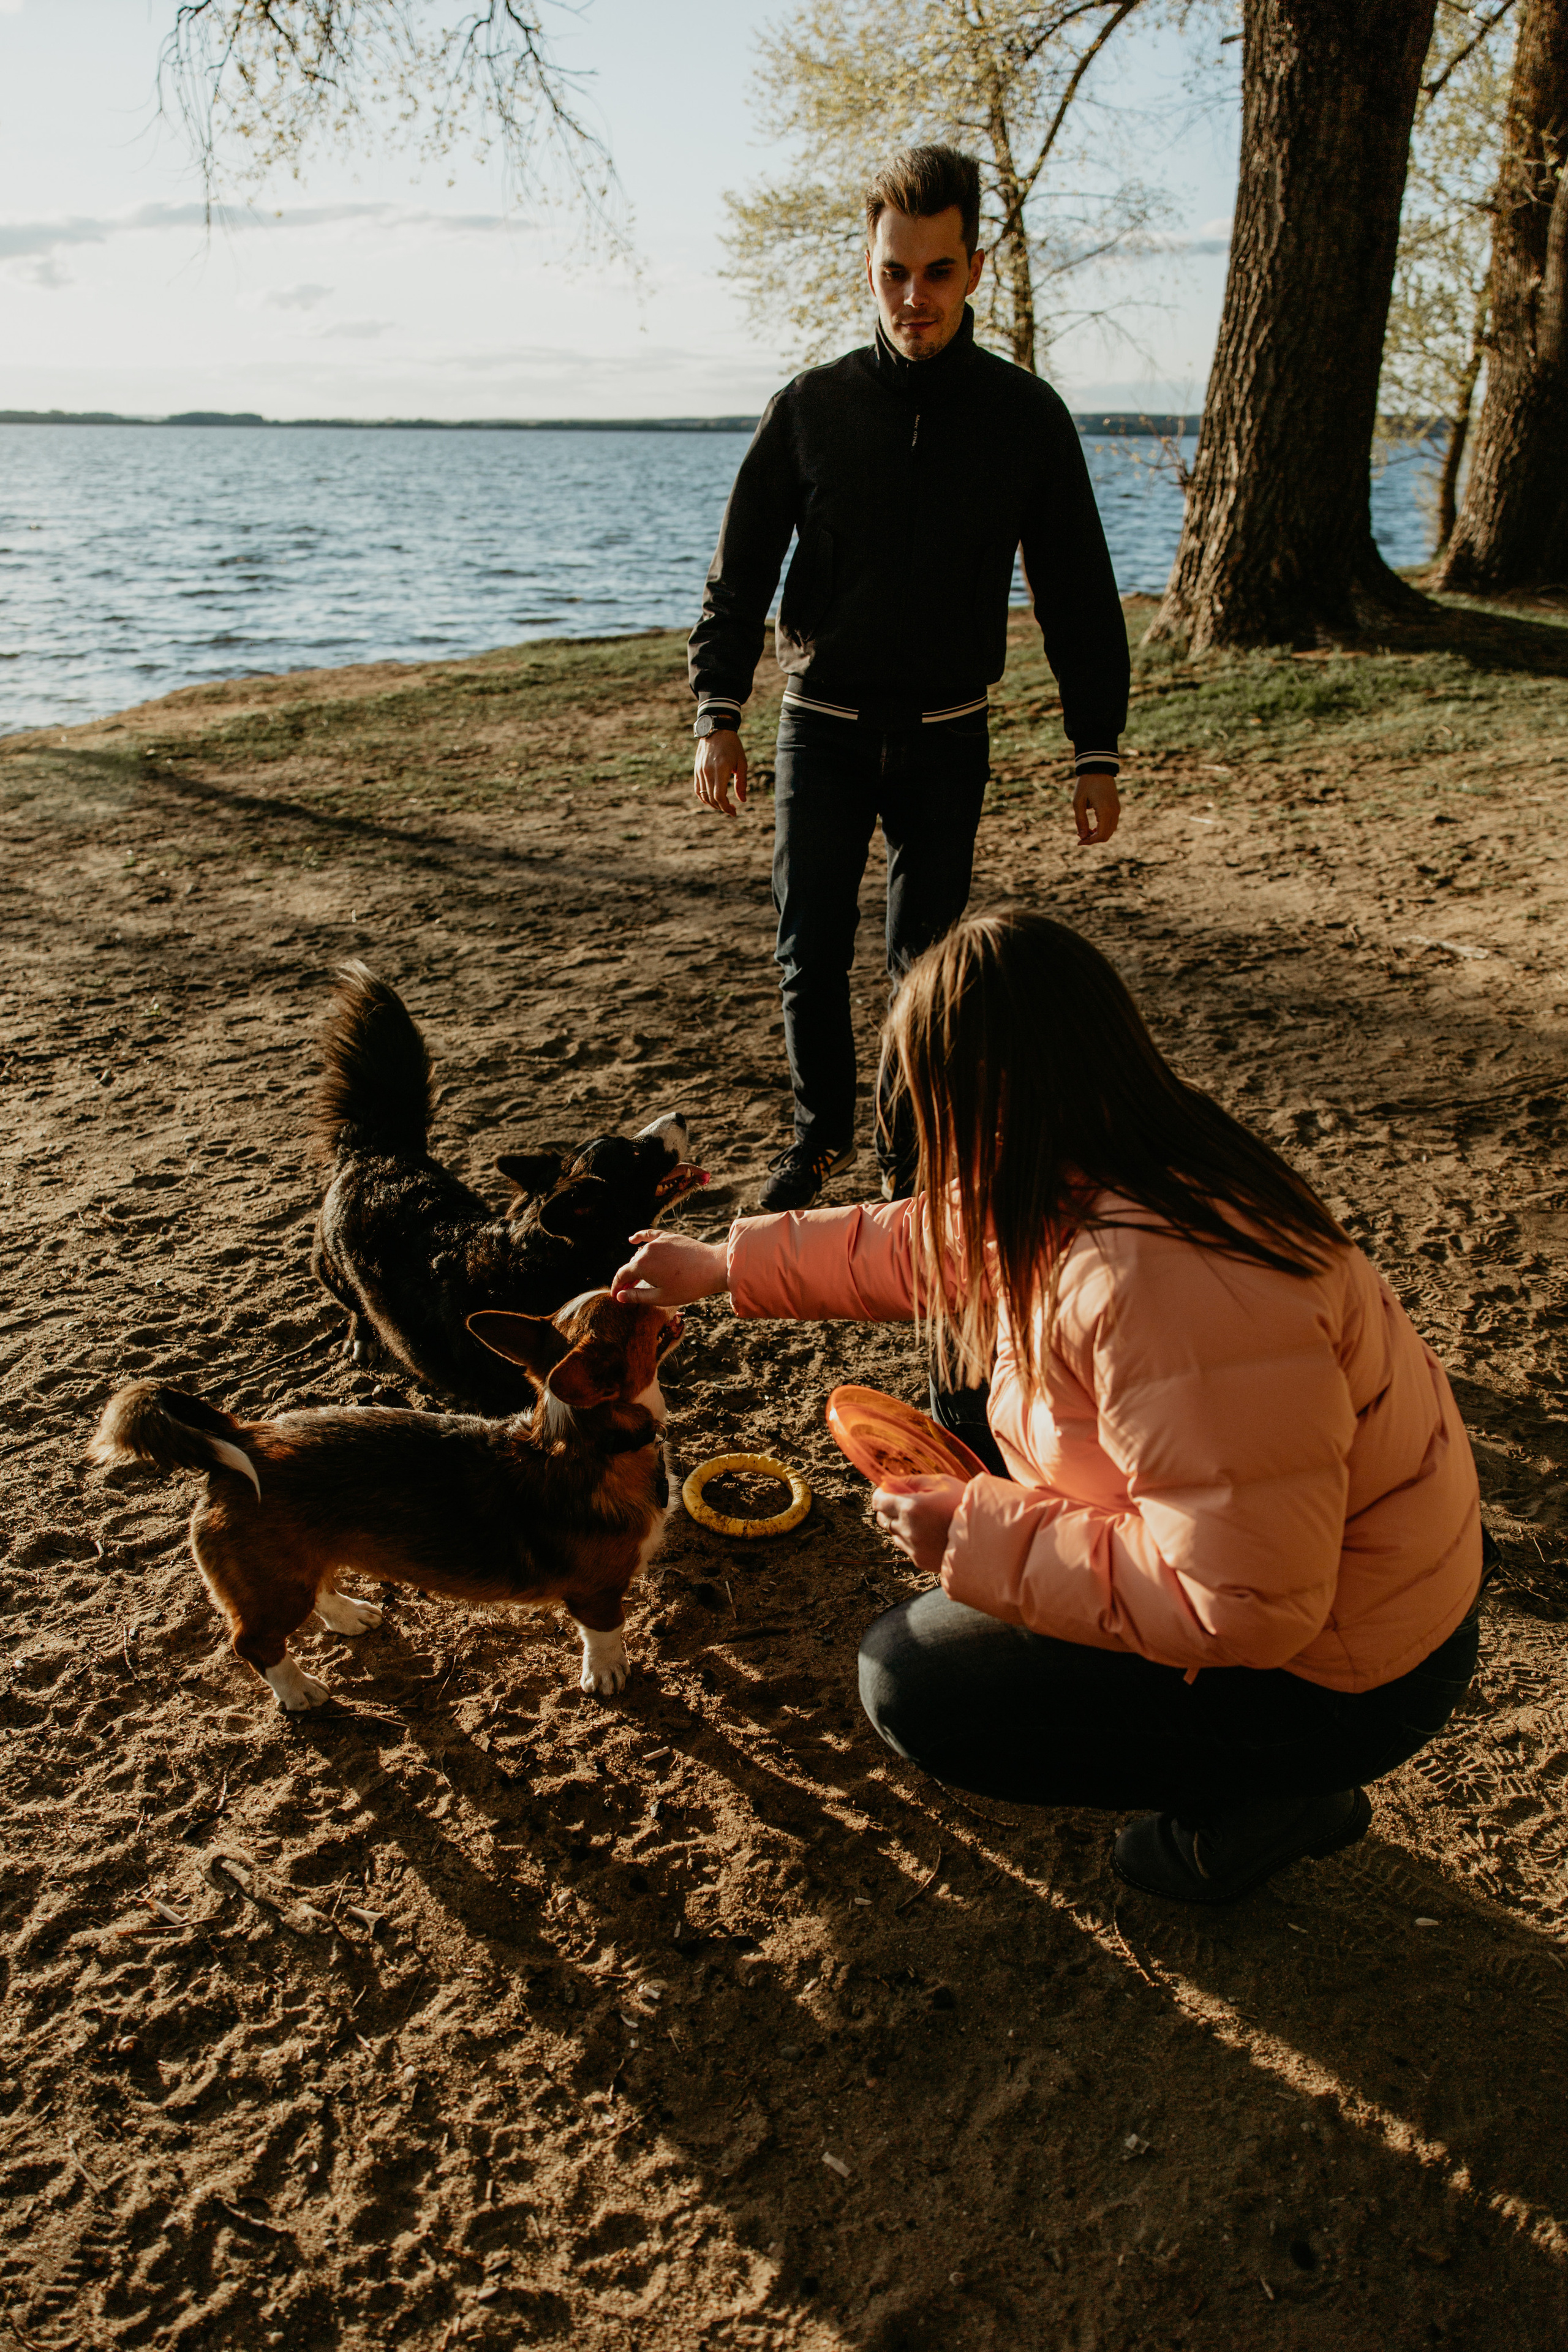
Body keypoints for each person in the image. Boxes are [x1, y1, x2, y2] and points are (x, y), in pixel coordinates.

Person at [611, 913, 1483, 1905]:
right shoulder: (1123, 1150)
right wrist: (725, 1267)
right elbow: (925, 1242)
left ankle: (1278, 1791)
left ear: (985, 1100)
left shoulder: (1168, 1285)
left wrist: (976, 1530)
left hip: (1346, 1673)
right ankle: (1266, 1768)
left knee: (916, 1681)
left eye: (927, 1102)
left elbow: (1244, 1607)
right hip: (1345, 1592)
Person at [688, 143, 1129, 1214]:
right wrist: (718, 711)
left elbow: (1077, 589)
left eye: (936, 272)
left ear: (973, 270)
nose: (913, 296)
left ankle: (905, 1153)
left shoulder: (1026, 419)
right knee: (809, 950)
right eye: (893, 271)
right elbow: (738, 571)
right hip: (822, 728)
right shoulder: (811, 408)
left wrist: (1096, 746)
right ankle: (814, 1141)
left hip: (947, 735)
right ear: (869, 266)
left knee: (925, 970)